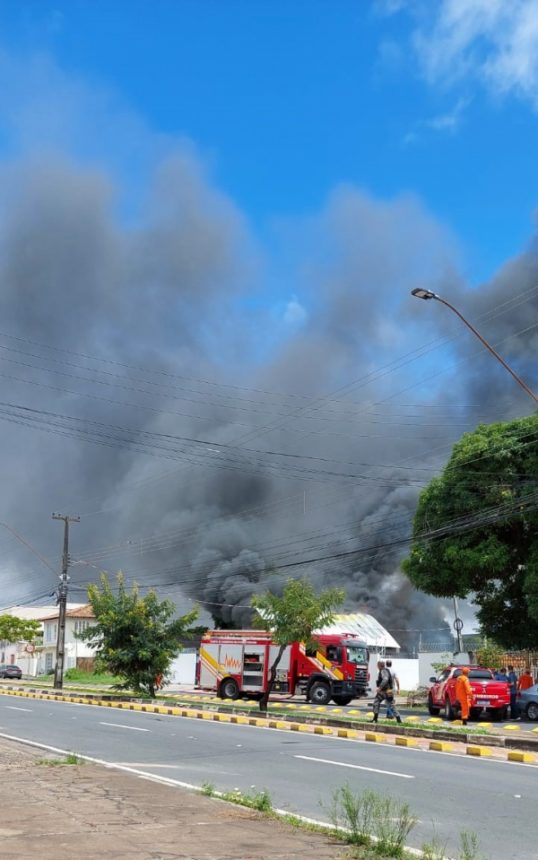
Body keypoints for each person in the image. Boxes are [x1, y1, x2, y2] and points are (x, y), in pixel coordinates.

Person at [371, 660, 402, 724]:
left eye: (377, 665)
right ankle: (399, 720)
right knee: (391, 705)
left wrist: (379, 688)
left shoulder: (383, 671)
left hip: (384, 691)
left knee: (376, 703)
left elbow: (385, 679)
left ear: (379, 665)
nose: (377, 666)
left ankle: (375, 719)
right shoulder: (385, 670)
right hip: (389, 691)